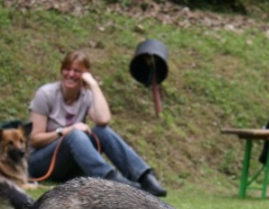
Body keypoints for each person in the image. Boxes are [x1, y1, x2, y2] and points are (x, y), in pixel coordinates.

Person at [27, 50, 167, 196]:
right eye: (67, 69)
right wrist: (65, 131)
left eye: (77, 71)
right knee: (75, 134)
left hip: (69, 167)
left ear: (85, 74)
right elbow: (34, 139)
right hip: (41, 163)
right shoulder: (46, 94)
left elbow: (103, 120)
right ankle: (111, 180)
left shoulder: (85, 96)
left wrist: (93, 84)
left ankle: (144, 177)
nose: (71, 74)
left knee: (102, 131)